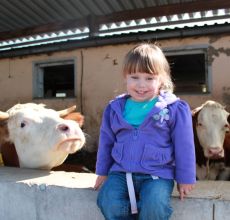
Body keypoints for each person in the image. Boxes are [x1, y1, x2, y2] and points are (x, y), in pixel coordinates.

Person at [94, 43, 196, 220]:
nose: (141, 85)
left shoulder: (173, 108)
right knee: (107, 201)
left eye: (149, 78)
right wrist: (102, 171)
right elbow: (106, 142)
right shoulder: (114, 108)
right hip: (120, 172)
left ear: (161, 79)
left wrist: (185, 178)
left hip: (158, 173)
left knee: (155, 204)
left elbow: (184, 145)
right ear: (125, 77)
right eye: (135, 77)